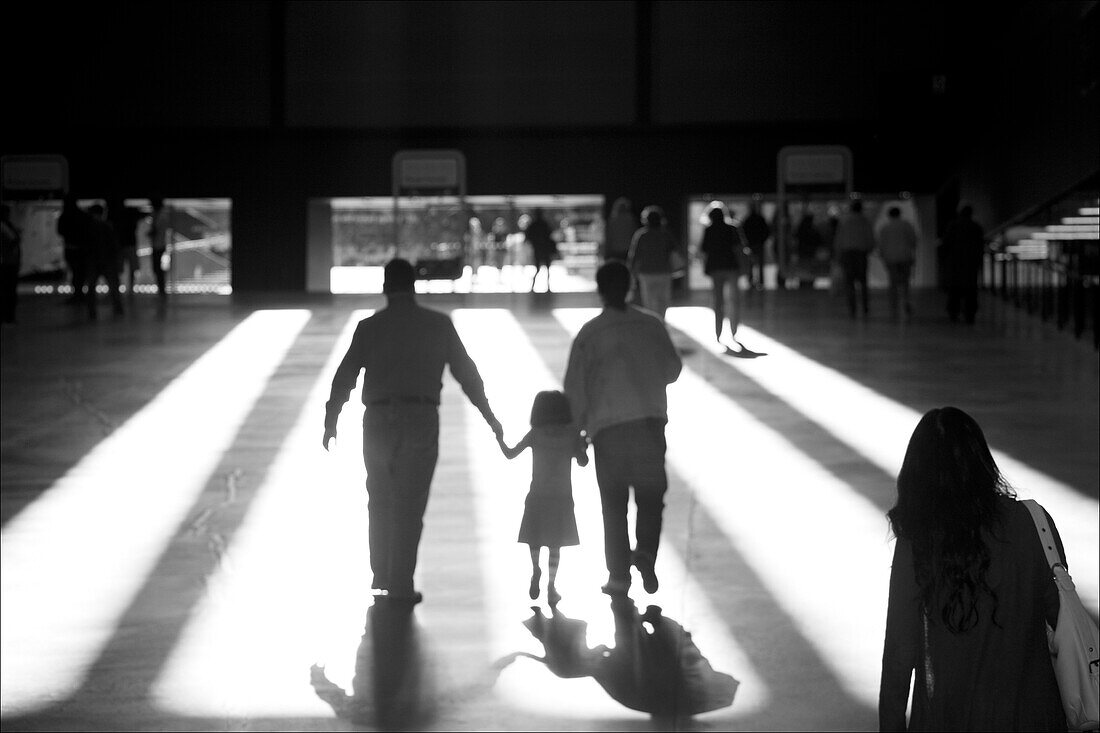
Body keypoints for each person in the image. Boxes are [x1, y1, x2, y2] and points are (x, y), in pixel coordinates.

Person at [323, 258, 504, 604]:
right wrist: (491, 418)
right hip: (421, 418)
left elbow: (344, 376)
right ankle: (401, 584)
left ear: (384, 287)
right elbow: (467, 375)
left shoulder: (369, 327)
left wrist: (331, 419)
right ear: (414, 286)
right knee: (409, 505)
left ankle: (381, 575)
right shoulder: (438, 324)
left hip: (377, 421)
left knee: (379, 499)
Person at [879, 406, 1068, 731]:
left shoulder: (919, 539)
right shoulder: (1034, 523)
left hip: (951, 715)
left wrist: (891, 725)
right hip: (1033, 713)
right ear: (982, 460)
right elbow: (1062, 617)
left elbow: (900, 649)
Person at [563, 261, 682, 596]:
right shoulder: (651, 324)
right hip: (649, 424)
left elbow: (575, 390)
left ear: (600, 291)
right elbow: (672, 369)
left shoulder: (589, 335)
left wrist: (577, 438)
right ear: (631, 286)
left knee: (613, 506)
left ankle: (618, 576)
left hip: (608, 431)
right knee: (650, 498)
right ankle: (645, 553)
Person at [496, 390, 588, 605]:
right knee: (555, 544)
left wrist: (499, 437)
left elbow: (510, 453)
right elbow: (583, 461)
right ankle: (551, 585)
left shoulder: (535, 434)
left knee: (535, 537)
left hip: (537, 495)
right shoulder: (571, 434)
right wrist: (584, 443)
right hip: (562, 497)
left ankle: (535, 569)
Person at [698, 205, 744, 352]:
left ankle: (718, 332)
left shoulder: (709, 230)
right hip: (731, 266)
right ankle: (733, 330)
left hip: (716, 268)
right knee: (733, 299)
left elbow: (704, 249)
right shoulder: (732, 228)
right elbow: (739, 248)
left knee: (718, 301)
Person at [628, 206, 678, 321]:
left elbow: (634, 256)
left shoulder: (641, 235)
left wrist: (631, 273)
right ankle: (660, 324)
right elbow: (675, 252)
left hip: (647, 273)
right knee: (663, 302)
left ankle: (653, 325)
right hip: (664, 272)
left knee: (649, 303)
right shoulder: (665, 235)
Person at [941, 205, 985, 324]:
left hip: (955, 263)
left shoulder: (953, 226)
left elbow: (946, 244)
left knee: (954, 289)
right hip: (971, 263)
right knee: (970, 289)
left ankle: (954, 312)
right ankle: (970, 313)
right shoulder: (976, 227)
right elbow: (980, 246)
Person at [834, 199, 876, 318]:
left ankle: (852, 308)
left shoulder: (845, 221)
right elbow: (870, 237)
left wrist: (838, 255)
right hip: (861, 253)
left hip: (848, 254)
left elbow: (839, 239)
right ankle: (865, 307)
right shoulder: (865, 221)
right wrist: (869, 248)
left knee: (849, 282)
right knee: (863, 281)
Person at [877, 206, 918, 321]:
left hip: (891, 258)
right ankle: (905, 301)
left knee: (893, 282)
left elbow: (881, 244)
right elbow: (913, 241)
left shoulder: (885, 228)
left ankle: (894, 306)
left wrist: (883, 256)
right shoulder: (906, 225)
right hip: (905, 257)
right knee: (905, 281)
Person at [84, 203, 124, 319]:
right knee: (113, 287)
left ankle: (92, 312)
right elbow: (115, 245)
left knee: (91, 287)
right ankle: (118, 309)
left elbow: (86, 246)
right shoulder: (107, 227)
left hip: (94, 261)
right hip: (108, 261)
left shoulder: (89, 228)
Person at [57, 194, 92, 304]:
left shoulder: (65, 216)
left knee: (76, 273)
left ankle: (78, 295)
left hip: (71, 249)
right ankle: (80, 294)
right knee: (81, 273)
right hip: (82, 250)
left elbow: (60, 231)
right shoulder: (82, 216)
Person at [524, 208, 558, 293]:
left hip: (541, 250)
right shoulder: (541, 224)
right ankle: (537, 287)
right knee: (542, 268)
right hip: (542, 250)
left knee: (541, 268)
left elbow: (529, 237)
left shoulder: (537, 225)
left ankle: (538, 287)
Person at [741, 200, 771, 289]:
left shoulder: (750, 219)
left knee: (752, 264)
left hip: (754, 244)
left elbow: (743, 232)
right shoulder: (758, 219)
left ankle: (753, 281)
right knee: (757, 264)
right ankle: (758, 281)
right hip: (756, 244)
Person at [0, 204, 22, 325]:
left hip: (9, 262)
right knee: (8, 291)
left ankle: (7, 315)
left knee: (7, 291)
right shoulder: (5, 227)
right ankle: (8, 316)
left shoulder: (7, 226)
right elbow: (13, 241)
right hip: (7, 263)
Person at [148, 197, 172, 306]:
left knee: (158, 269)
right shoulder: (159, 215)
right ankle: (161, 290)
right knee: (157, 268)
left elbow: (156, 229)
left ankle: (162, 290)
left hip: (159, 245)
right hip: (158, 244)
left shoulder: (161, 215)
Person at [603, 197, 635, 262]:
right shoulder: (631, 220)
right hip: (627, 250)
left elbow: (608, 237)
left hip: (615, 251)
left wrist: (606, 252)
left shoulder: (612, 220)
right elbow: (634, 236)